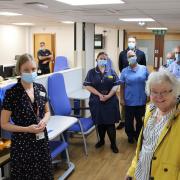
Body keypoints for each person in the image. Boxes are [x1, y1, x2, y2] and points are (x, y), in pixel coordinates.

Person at [1, 54, 53, 179]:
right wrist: (27, 129)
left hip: (41, 140)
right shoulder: (12, 93)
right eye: (26, 70)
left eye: (33, 69)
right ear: (19, 71)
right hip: (23, 145)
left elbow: (47, 112)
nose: (30, 73)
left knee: (43, 173)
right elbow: (3, 124)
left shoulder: (40, 88)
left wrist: (44, 121)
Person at [126, 67, 180, 180]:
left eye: (164, 92)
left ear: (175, 92)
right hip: (141, 175)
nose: (159, 96)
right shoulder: (150, 111)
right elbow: (142, 147)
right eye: (154, 92)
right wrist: (131, 171)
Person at [84, 52, 120, 153]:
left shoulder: (111, 71)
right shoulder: (91, 72)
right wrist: (99, 95)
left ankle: (113, 144)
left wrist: (108, 95)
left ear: (107, 60)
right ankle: (102, 141)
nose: (103, 60)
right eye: (101, 58)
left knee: (110, 123)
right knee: (100, 123)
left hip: (111, 100)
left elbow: (116, 84)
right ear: (97, 59)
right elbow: (87, 85)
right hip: (97, 101)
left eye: (105, 58)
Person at [119, 50, 149, 144]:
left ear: (136, 56)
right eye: (129, 56)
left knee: (140, 121)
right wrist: (122, 98)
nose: (132, 57)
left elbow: (149, 83)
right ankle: (130, 135)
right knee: (128, 122)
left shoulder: (144, 69)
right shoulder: (124, 71)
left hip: (141, 99)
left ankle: (138, 135)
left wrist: (149, 94)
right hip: (129, 100)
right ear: (127, 59)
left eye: (133, 55)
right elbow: (122, 86)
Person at [117, 36, 146, 129]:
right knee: (127, 111)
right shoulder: (122, 54)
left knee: (139, 117)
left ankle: (138, 133)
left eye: (133, 41)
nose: (131, 43)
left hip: (139, 87)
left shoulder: (141, 54)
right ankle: (123, 122)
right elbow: (120, 68)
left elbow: (144, 72)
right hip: (127, 83)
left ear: (136, 42)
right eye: (129, 41)